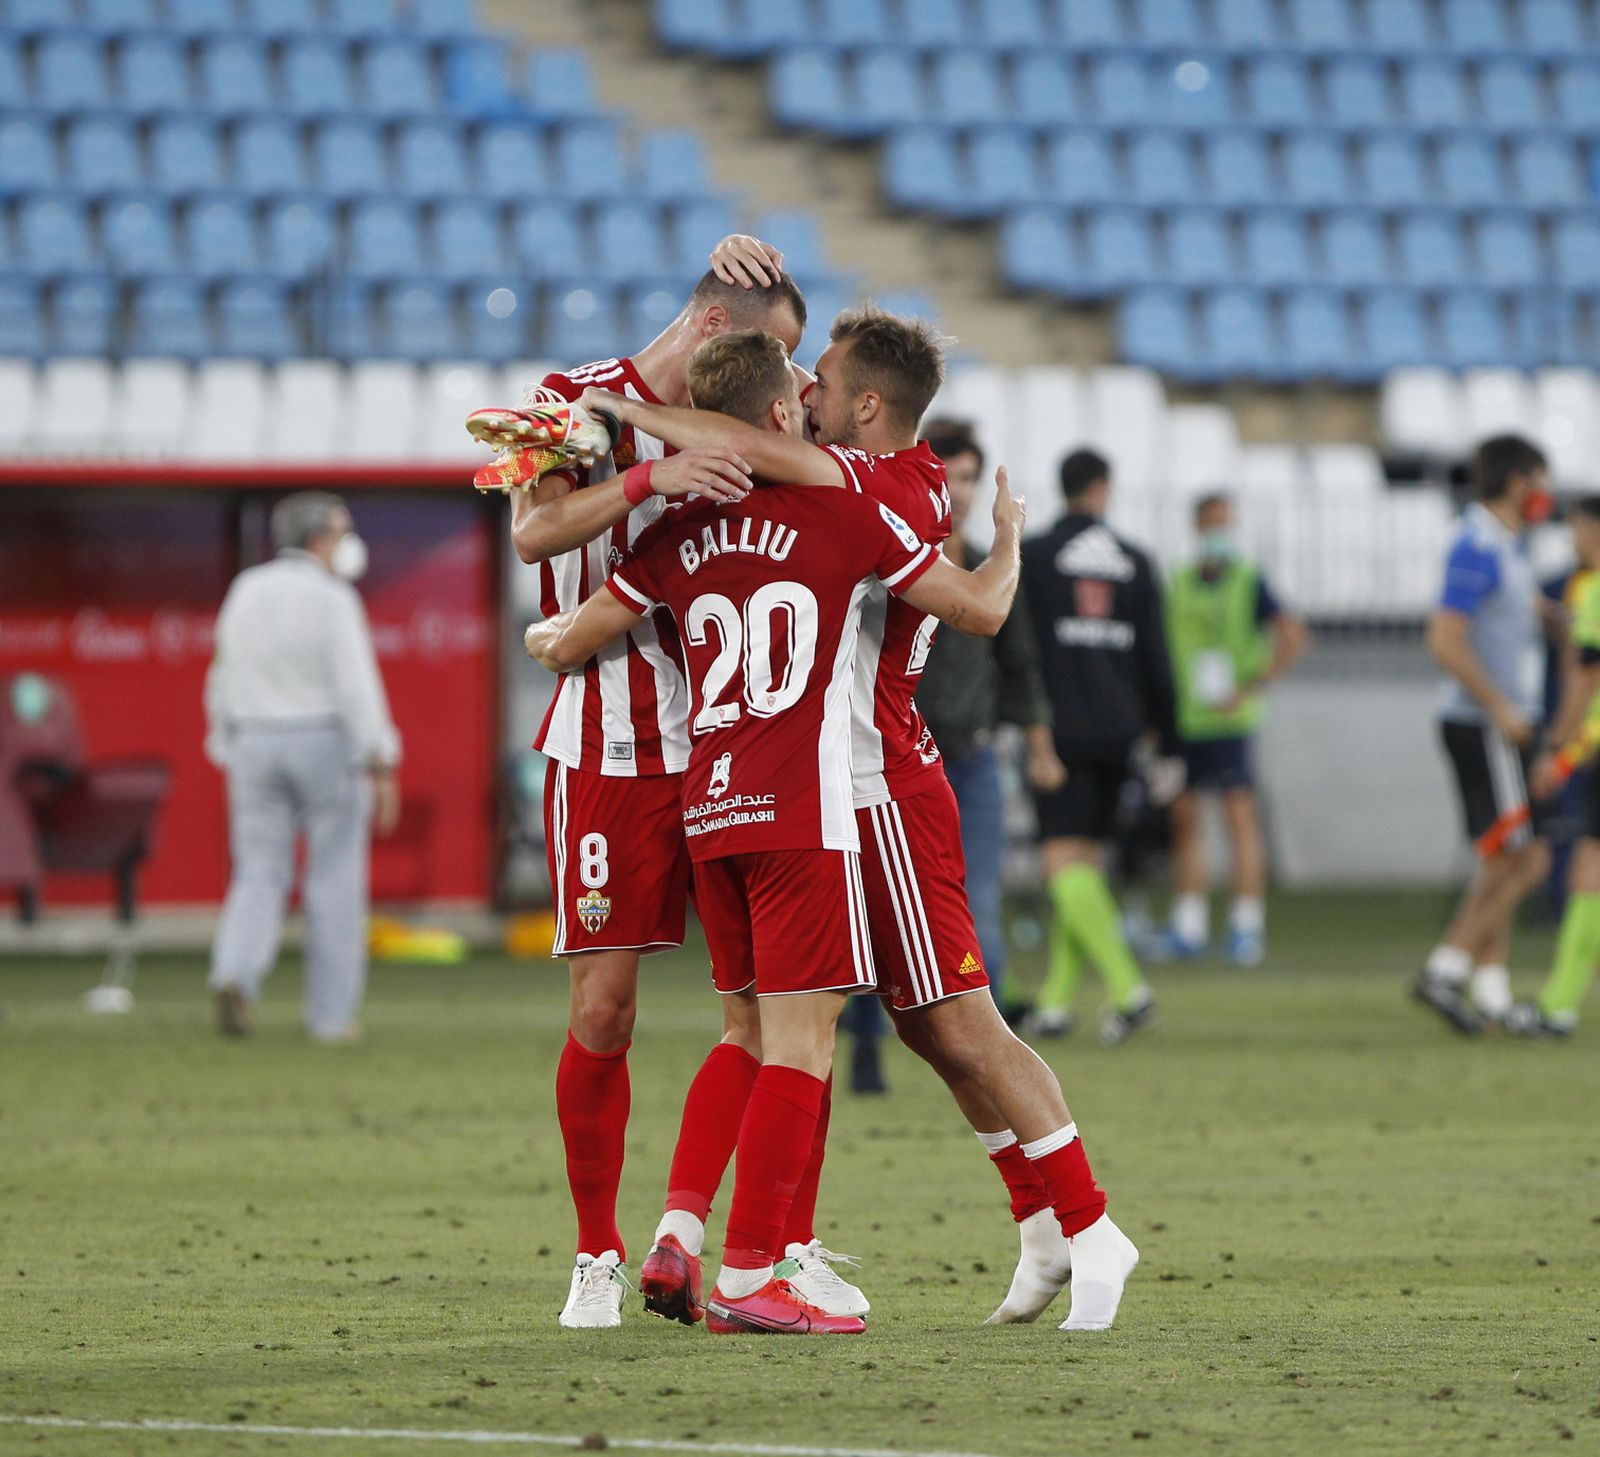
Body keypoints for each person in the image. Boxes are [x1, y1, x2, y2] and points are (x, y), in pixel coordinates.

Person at [585, 312, 1139, 1333]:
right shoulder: (874, 479)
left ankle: (1090, 1224)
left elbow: (749, 441)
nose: (806, 388)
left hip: (875, 787)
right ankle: (1039, 1221)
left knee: (953, 1019)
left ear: (868, 407)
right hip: (840, 789)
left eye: (823, 379)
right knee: (930, 1028)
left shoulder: (872, 484)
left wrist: (618, 408)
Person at [482, 237, 817, 1328]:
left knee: (766, 1010)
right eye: (775, 354)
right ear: (716, 325)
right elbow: (535, 527)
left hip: (732, 744)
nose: (783, 389)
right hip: (609, 745)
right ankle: (595, 1251)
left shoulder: (756, 430)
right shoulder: (574, 403)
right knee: (605, 1008)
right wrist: (648, 475)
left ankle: (752, 1242)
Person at [204, 492, 400, 1042]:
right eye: (341, 531)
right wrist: (380, 758)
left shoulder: (245, 589)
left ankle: (234, 973)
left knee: (258, 872)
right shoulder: (332, 598)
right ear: (318, 540)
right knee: (334, 881)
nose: (348, 542)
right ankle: (331, 1018)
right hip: (323, 741)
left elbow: (220, 674)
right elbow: (355, 687)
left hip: (253, 741)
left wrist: (225, 741)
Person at [1020, 449, 1177, 1045]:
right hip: (1121, 731)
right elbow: (1156, 658)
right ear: (1103, 488)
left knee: (1062, 868)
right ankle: (1057, 1003)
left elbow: (1019, 647)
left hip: (1057, 732)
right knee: (1082, 866)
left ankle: (1129, 990)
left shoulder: (1033, 557)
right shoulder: (1134, 562)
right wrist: (1170, 739)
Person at [915, 418, 1064, 1007]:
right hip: (899, 762)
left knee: (978, 901)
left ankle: (992, 1025)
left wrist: (1041, 748)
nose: (960, 490)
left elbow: (1021, 664)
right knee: (881, 903)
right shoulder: (893, 565)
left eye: (971, 476)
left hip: (973, 759)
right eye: (947, 475)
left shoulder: (993, 569)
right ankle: (872, 1035)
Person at [1417, 435, 1554, 1034]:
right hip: (1486, 723)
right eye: (1541, 481)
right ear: (1519, 482)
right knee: (1529, 859)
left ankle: (1491, 990)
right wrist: (1499, 705)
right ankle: (1446, 967)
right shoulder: (1476, 544)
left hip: (1494, 721)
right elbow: (1446, 637)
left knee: (1503, 857)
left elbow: (1513, 616)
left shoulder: (1503, 545)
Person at [1160, 491, 1307, 966]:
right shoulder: (1178, 582)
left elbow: (1293, 634)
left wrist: (1253, 685)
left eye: (1226, 524)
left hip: (1229, 720)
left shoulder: (1249, 580)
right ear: (1197, 528)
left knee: (1238, 819)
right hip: (1185, 717)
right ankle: (1189, 923)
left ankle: (1246, 925)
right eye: (1212, 524)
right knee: (1185, 821)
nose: (1219, 534)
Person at [1511, 495, 1600, 1038]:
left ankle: (1558, 1005)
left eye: (1579, 529)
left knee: (1586, 873)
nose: (1572, 540)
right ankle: (1559, 1001)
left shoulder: (1592, 590)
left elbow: (1586, 681)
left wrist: (1559, 753)